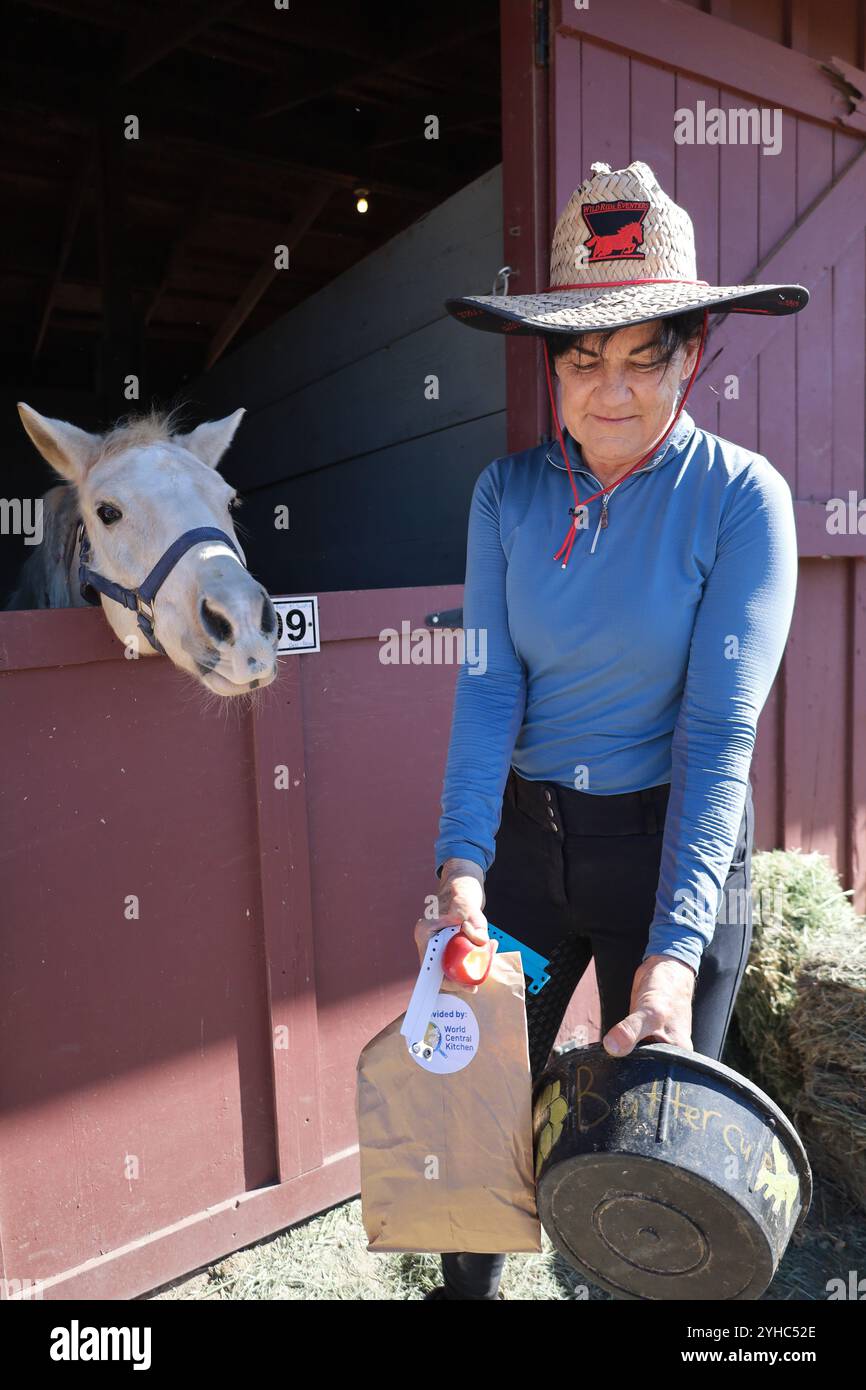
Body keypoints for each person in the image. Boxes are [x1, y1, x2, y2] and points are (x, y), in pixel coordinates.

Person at [416, 160, 808, 1301]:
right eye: (582, 357)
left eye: (647, 355)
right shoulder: (506, 495)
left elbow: (715, 737)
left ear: (693, 352)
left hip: (671, 853)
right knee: (481, 1101)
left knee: (658, 1148)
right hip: (528, 851)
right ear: (549, 362)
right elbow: (487, 689)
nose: (613, 390)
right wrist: (459, 868)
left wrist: (673, 953)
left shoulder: (741, 501)